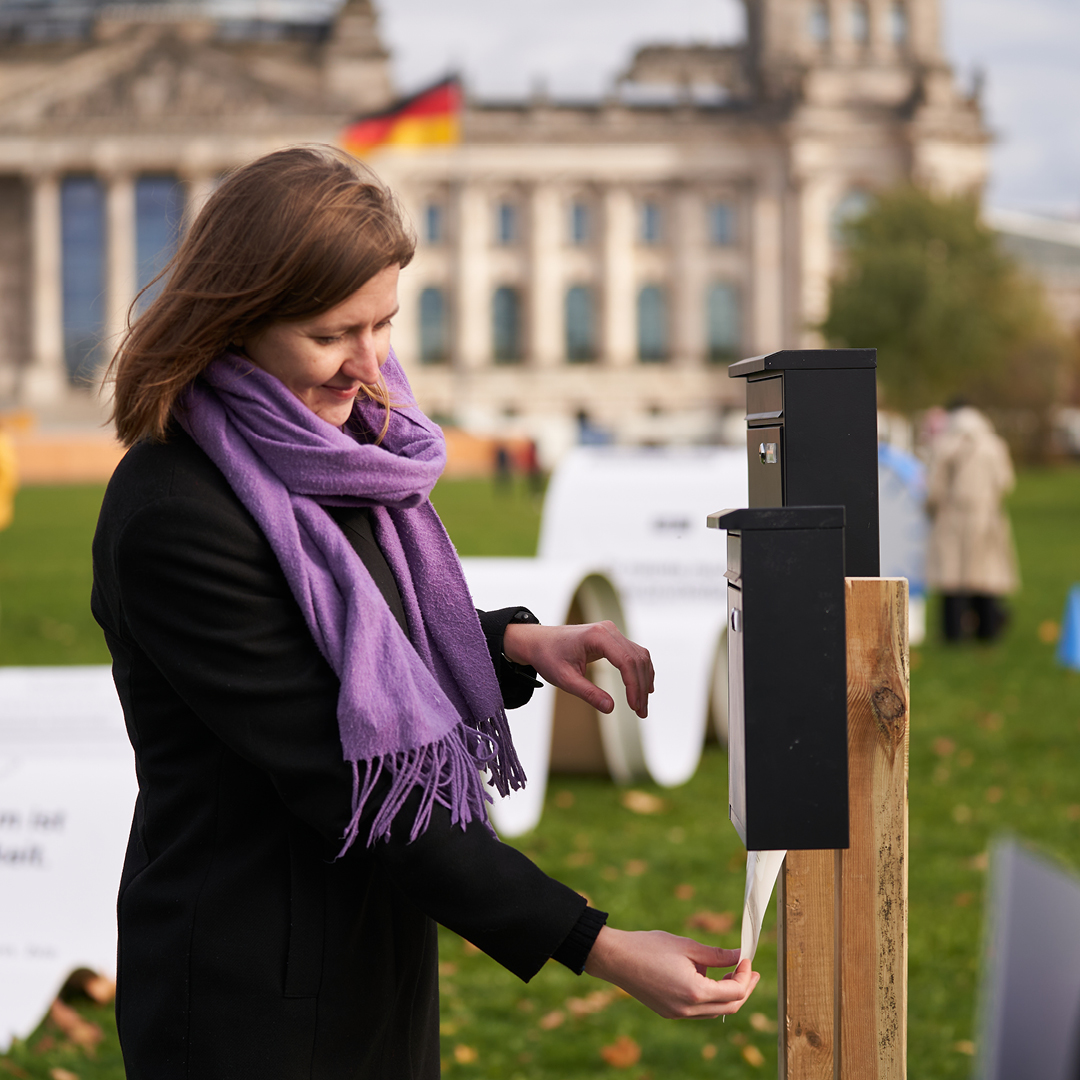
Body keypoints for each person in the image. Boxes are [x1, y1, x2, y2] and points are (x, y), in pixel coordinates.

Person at [91, 145, 758, 1080]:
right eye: (334, 334)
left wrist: (515, 642)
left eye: (386, 324)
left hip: (374, 955)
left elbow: (373, 648)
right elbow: (346, 766)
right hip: (251, 987)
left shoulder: (335, 455)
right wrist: (594, 944)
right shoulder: (175, 512)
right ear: (235, 322)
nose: (371, 366)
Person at [925, 401, 1019, 642]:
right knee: (986, 577)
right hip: (987, 515)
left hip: (952, 515)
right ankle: (987, 631)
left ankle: (952, 634)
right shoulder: (994, 445)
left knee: (952, 578)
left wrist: (931, 510)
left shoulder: (944, 445)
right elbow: (1006, 482)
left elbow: (934, 489)